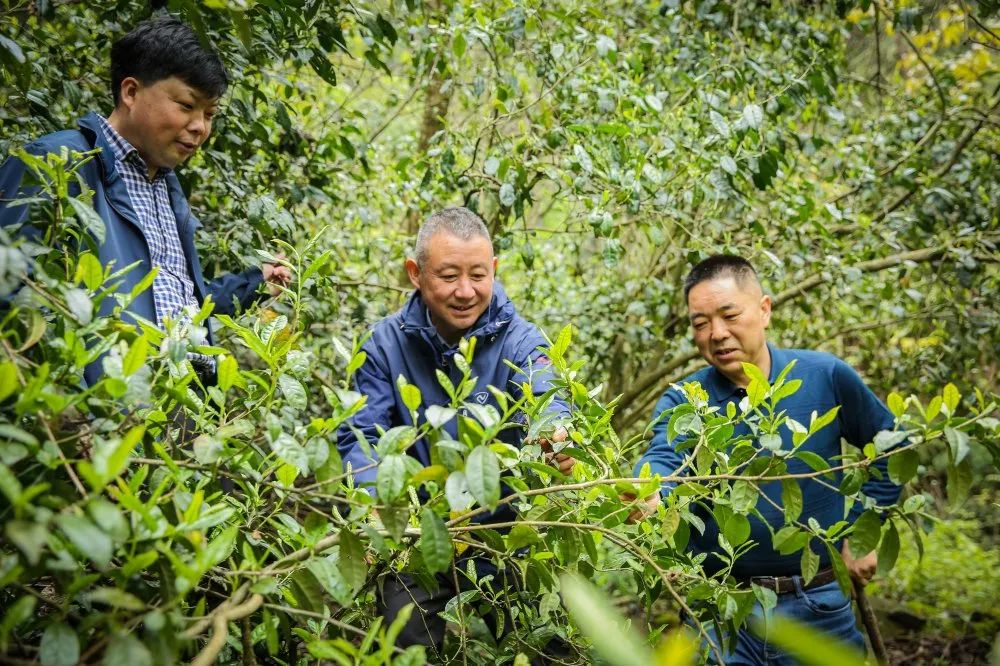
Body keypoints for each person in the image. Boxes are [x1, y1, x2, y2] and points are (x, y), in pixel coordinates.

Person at [630, 255, 902, 663]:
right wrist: (647, 490)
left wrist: (865, 533)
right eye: (700, 323)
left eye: (729, 315)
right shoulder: (687, 399)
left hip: (816, 602)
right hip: (721, 608)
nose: (716, 334)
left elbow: (891, 446)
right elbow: (663, 457)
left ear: (764, 309)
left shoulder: (824, 375)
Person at [0, 16, 290, 386]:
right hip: (103, 419)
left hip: (180, 412)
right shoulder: (56, 164)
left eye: (210, 114)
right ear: (131, 92)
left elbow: (176, 302)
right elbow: (12, 302)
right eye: (187, 105)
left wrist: (256, 283)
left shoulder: (165, 188)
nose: (200, 127)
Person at [336, 207, 572, 659]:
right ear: (415, 274)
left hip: (503, 532)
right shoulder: (382, 346)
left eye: (478, 275)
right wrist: (373, 507)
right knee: (406, 643)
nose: (466, 292)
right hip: (415, 535)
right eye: (448, 276)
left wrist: (555, 435)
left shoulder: (522, 340)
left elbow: (549, 396)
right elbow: (361, 439)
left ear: (494, 271)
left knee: (548, 640)